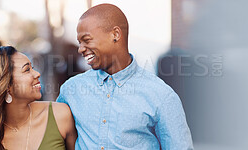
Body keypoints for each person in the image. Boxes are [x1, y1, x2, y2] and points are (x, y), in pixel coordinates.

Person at [56, 4, 193, 149]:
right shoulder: (71, 90)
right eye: (79, 42)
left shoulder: (161, 96)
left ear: (115, 34)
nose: (81, 49)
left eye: (87, 40)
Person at [0, 46, 77, 150]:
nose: (37, 74)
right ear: (6, 86)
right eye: (27, 70)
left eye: (33, 67)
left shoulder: (60, 114)